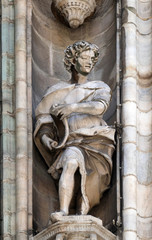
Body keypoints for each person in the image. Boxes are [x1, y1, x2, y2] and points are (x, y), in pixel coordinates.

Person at [34, 41, 115, 222]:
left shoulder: (99, 87)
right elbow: (45, 121)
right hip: (71, 141)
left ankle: (82, 214)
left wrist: (72, 108)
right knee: (71, 162)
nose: (89, 62)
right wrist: (47, 139)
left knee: (93, 180)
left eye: (91, 59)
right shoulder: (57, 91)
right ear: (73, 60)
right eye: (84, 57)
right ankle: (63, 211)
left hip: (97, 140)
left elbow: (99, 107)